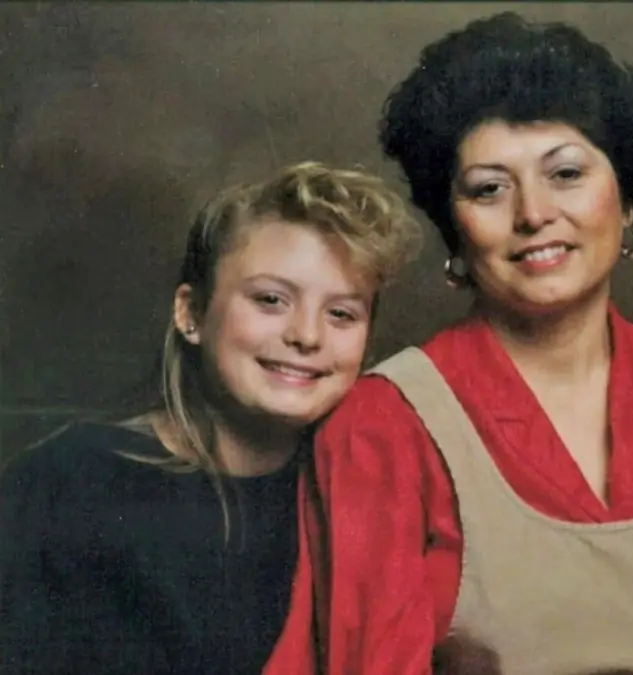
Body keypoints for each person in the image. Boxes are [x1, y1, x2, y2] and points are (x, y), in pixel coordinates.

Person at [265, 12, 633, 675]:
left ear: (626, 202)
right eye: (489, 189)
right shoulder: (386, 425)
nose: (533, 213)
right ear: (454, 231)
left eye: (566, 173)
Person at [0, 161, 421, 674]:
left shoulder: (369, 495)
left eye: (341, 313)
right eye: (271, 300)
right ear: (192, 313)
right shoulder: (69, 482)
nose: (307, 336)